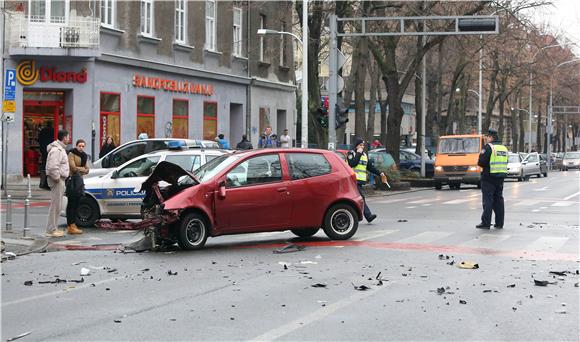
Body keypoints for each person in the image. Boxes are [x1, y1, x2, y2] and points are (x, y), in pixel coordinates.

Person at [347, 137, 385, 223]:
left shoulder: (364, 155)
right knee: (361, 198)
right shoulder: (351, 153)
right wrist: (358, 154)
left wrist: (380, 173)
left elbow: (370, 168)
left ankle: (355, 216)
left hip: (360, 181)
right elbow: (353, 163)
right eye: (360, 145)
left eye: (363, 145)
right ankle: (368, 216)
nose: (362, 147)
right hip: (352, 180)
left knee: (356, 199)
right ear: (356, 146)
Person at [476, 128, 508, 229]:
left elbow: (481, 162)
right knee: (499, 200)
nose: (486, 139)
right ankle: (499, 223)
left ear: (491, 137)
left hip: (489, 177)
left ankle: (486, 223)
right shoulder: (503, 148)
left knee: (488, 201)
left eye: (487, 137)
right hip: (500, 178)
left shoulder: (489, 147)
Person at [45, 130, 70, 238]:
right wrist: (57, 178)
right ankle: (51, 229)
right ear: (64, 138)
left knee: (58, 205)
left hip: (60, 180)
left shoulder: (60, 149)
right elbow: (52, 167)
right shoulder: (57, 150)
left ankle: (53, 228)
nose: (69, 139)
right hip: (57, 181)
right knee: (55, 205)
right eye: (68, 137)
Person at [66, 139, 89, 235]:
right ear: (76, 145)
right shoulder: (71, 153)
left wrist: (82, 169)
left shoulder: (84, 155)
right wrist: (82, 169)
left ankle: (73, 224)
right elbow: (73, 168)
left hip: (79, 181)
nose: (81, 148)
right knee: (71, 202)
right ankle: (70, 225)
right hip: (72, 181)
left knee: (77, 203)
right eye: (80, 145)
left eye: (83, 146)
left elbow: (87, 170)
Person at [38, 122, 54, 190]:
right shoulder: (53, 130)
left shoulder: (42, 130)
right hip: (51, 149)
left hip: (43, 149)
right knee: (50, 165)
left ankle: (42, 183)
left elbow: (39, 139)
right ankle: (46, 183)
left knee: (44, 165)